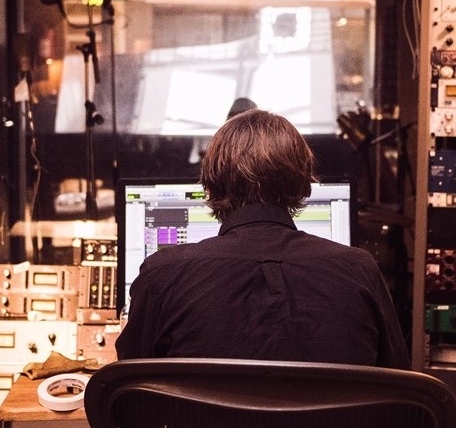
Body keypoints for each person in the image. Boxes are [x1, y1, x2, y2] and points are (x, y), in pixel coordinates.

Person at [116, 109, 410, 368]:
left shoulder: (163, 276)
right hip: (328, 418)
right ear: (304, 184)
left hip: (200, 420)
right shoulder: (360, 271)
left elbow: (128, 392)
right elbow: (400, 392)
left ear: (209, 185)